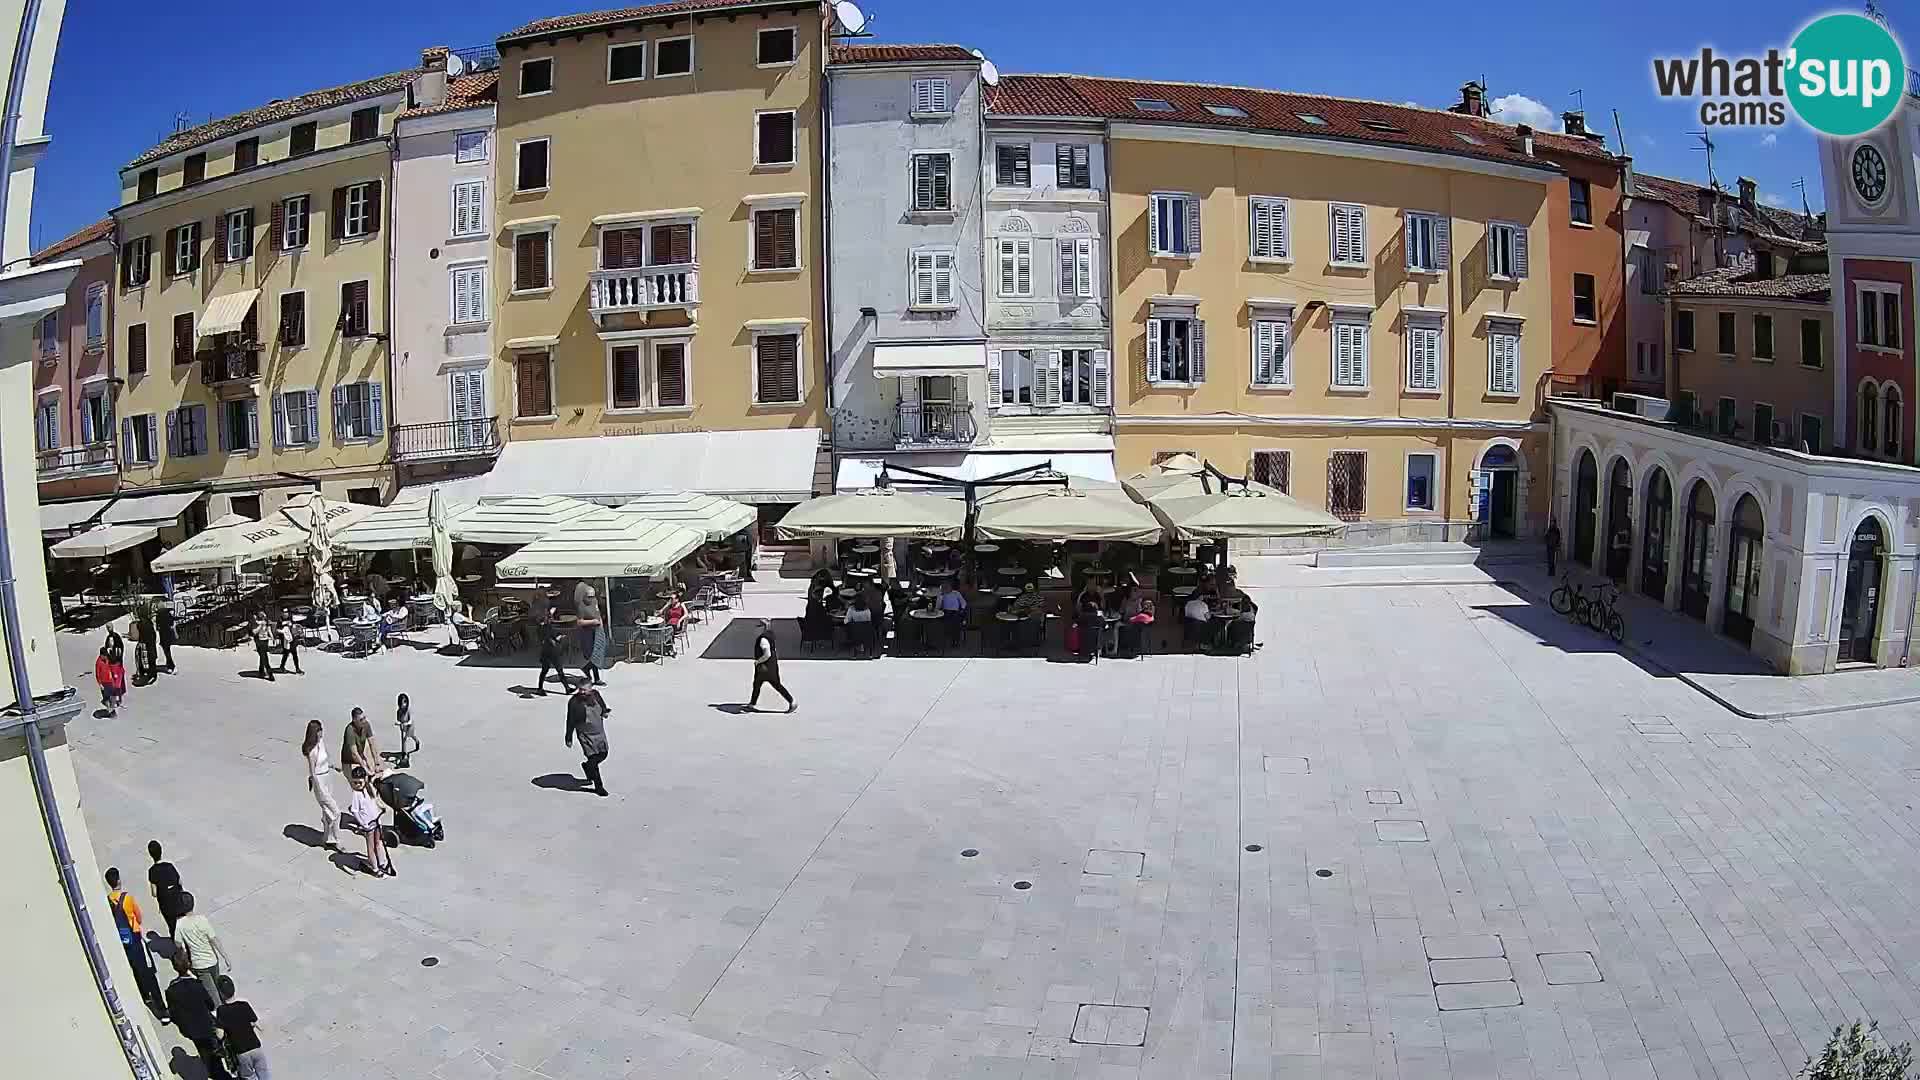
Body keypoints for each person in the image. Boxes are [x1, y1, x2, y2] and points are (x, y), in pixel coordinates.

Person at [105, 867, 167, 1021]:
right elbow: (138, 917)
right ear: (119, 880)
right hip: (135, 937)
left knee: (136, 969)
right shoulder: (127, 898)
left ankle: (145, 995)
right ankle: (162, 1008)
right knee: (149, 971)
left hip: (124, 941)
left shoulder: (108, 900)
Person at [165, 952, 233, 1080]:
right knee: (215, 1058)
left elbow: (172, 1013)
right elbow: (210, 1005)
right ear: (189, 964)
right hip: (206, 1027)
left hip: (191, 1031)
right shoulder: (197, 984)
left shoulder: (171, 990)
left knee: (205, 1054)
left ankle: (214, 1072)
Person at [172, 892, 232, 1009]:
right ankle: (225, 1007)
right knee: (217, 986)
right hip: (212, 960)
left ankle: (221, 1013)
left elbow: (178, 944)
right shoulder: (202, 919)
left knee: (211, 992)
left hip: (199, 964)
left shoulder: (180, 924)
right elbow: (214, 939)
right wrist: (225, 957)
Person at [215, 975, 270, 1079]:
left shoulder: (221, 1011)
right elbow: (257, 1024)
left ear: (220, 994)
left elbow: (219, 1035)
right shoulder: (244, 1005)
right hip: (256, 1047)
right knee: (264, 1074)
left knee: (249, 1076)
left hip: (242, 1053)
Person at [564, 681, 612, 797]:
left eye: (584, 689)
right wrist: (568, 737)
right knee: (593, 759)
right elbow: (570, 720)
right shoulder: (574, 702)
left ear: (590, 689)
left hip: (599, 731)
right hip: (585, 734)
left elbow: (602, 705)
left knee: (603, 754)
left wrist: (605, 712)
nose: (582, 692)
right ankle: (599, 787)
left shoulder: (596, 695)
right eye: (580, 689)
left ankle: (587, 767)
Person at [345, 766, 394, 876]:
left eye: (359, 782)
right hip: (368, 825)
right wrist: (363, 824)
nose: (357, 785)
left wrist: (381, 808)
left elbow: (375, 801)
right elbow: (355, 811)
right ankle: (375, 868)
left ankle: (382, 862)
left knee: (378, 842)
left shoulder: (369, 788)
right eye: (355, 782)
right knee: (370, 847)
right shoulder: (356, 795)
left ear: (365, 779)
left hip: (376, 821)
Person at [301, 720, 340, 849]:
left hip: (327, 776)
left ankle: (327, 838)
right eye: (319, 730)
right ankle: (335, 839)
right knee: (335, 811)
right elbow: (313, 771)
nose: (322, 732)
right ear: (315, 733)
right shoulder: (312, 751)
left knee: (327, 811)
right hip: (320, 781)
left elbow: (324, 760)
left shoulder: (321, 743)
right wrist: (318, 788)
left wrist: (333, 766)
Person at [747, 618, 795, 713]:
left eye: (758, 626)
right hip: (772, 665)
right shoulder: (770, 636)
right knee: (758, 684)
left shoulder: (763, 639)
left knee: (764, 684)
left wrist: (758, 661)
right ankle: (752, 703)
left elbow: (767, 654)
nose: (756, 628)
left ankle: (792, 701)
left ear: (762, 627)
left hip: (764, 666)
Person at [147, 840, 189, 936]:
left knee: (172, 927)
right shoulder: (170, 866)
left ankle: (178, 947)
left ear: (150, 855)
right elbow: (180, 882)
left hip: (166, 905)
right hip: (178, 901)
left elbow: (154, 893)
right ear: (161, 851)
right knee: (183, 924)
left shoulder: (152, 871)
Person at [574, 580, 607, 687]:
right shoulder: (581, 607)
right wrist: (592, 622)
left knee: (597, 654)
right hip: (587, 632)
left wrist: (600, 624)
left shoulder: (594, 602)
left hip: (597, 631)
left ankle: (591, 673)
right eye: (589, 596)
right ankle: (593, 675)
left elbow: (598, 614)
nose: (591, 598)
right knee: (591, 655)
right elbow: (579, 622)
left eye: (592, 596)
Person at [535, 615, 572, 696]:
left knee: (545, 671)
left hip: (545, 652)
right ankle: (567, 689)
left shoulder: (539, 628)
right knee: (559, 671)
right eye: (549, 618)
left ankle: (540, 688)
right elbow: (552, 639)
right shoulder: (547, 627)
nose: (550, 619)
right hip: (552, 652)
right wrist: (560, 637)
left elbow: (546, 639)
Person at [340, 709, 383, 778]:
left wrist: (376, 763)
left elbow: (372, 744)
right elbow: (354, 753)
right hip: (348, 761)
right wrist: (366, 769)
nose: (364, 721)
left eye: (364, 718)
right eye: (361, 720)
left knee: (370, 778)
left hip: (360, 757)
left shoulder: (366, 724)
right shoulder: (349, 730)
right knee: (357, 783)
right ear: (354, 720)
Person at [94, 644, 122, 716]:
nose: (106, 657)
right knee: (106, 697)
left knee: (113, 694)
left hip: (110, 680)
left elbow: (110, 666)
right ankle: (110, 710)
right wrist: (100, 684)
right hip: (104, 682)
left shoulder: (106, 659)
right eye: (105, 655)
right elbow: (97, 674)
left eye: (106, 655)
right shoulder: (98, 663)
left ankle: (112, 708)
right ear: (101, 655)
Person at [394, 693, 418, 768]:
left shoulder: (408, 711)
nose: (403, 705)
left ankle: (416, 743)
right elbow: (398, 719)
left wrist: (406, 723)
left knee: (408, 737)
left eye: (405, 702)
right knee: (403, 739)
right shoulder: (398, 711)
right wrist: (398, 723)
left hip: (410, 726)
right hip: (403, 727)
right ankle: (404, 753)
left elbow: (410, 720)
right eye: (401, 703)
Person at [275, 610, 302, 675]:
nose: (285, 614)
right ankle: (282, 666)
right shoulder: (280, 620)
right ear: (282, 613)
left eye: (286, 612)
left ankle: (297, 668)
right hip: (284, 640)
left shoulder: (291, 619)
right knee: (286, 654)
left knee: (294, 654)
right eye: (284, 612)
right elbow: (277, 630)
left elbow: (294, 627)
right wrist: (282, 631)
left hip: (292, 639)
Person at [250, 612, 274, 681]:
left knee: (262, 655)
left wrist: (272, 637)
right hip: (259, 641)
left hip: (265, 640)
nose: (263, 616)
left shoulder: (266, 621)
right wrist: (260, 626)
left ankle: (261, 671)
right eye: (262, 615)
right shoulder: (255, 622)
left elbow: (269, 629)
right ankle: (270, 673)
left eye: (264, 616)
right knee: (264, 656)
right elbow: (254, 632)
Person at [155, 603, 178, 673]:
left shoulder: (158, 616)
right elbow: (172, 623)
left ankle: (171, 666)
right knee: (167, 651)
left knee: (167, 652)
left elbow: (157, 627)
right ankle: (169, 664)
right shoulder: (168, 614)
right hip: (169, 635)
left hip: (163, 636)